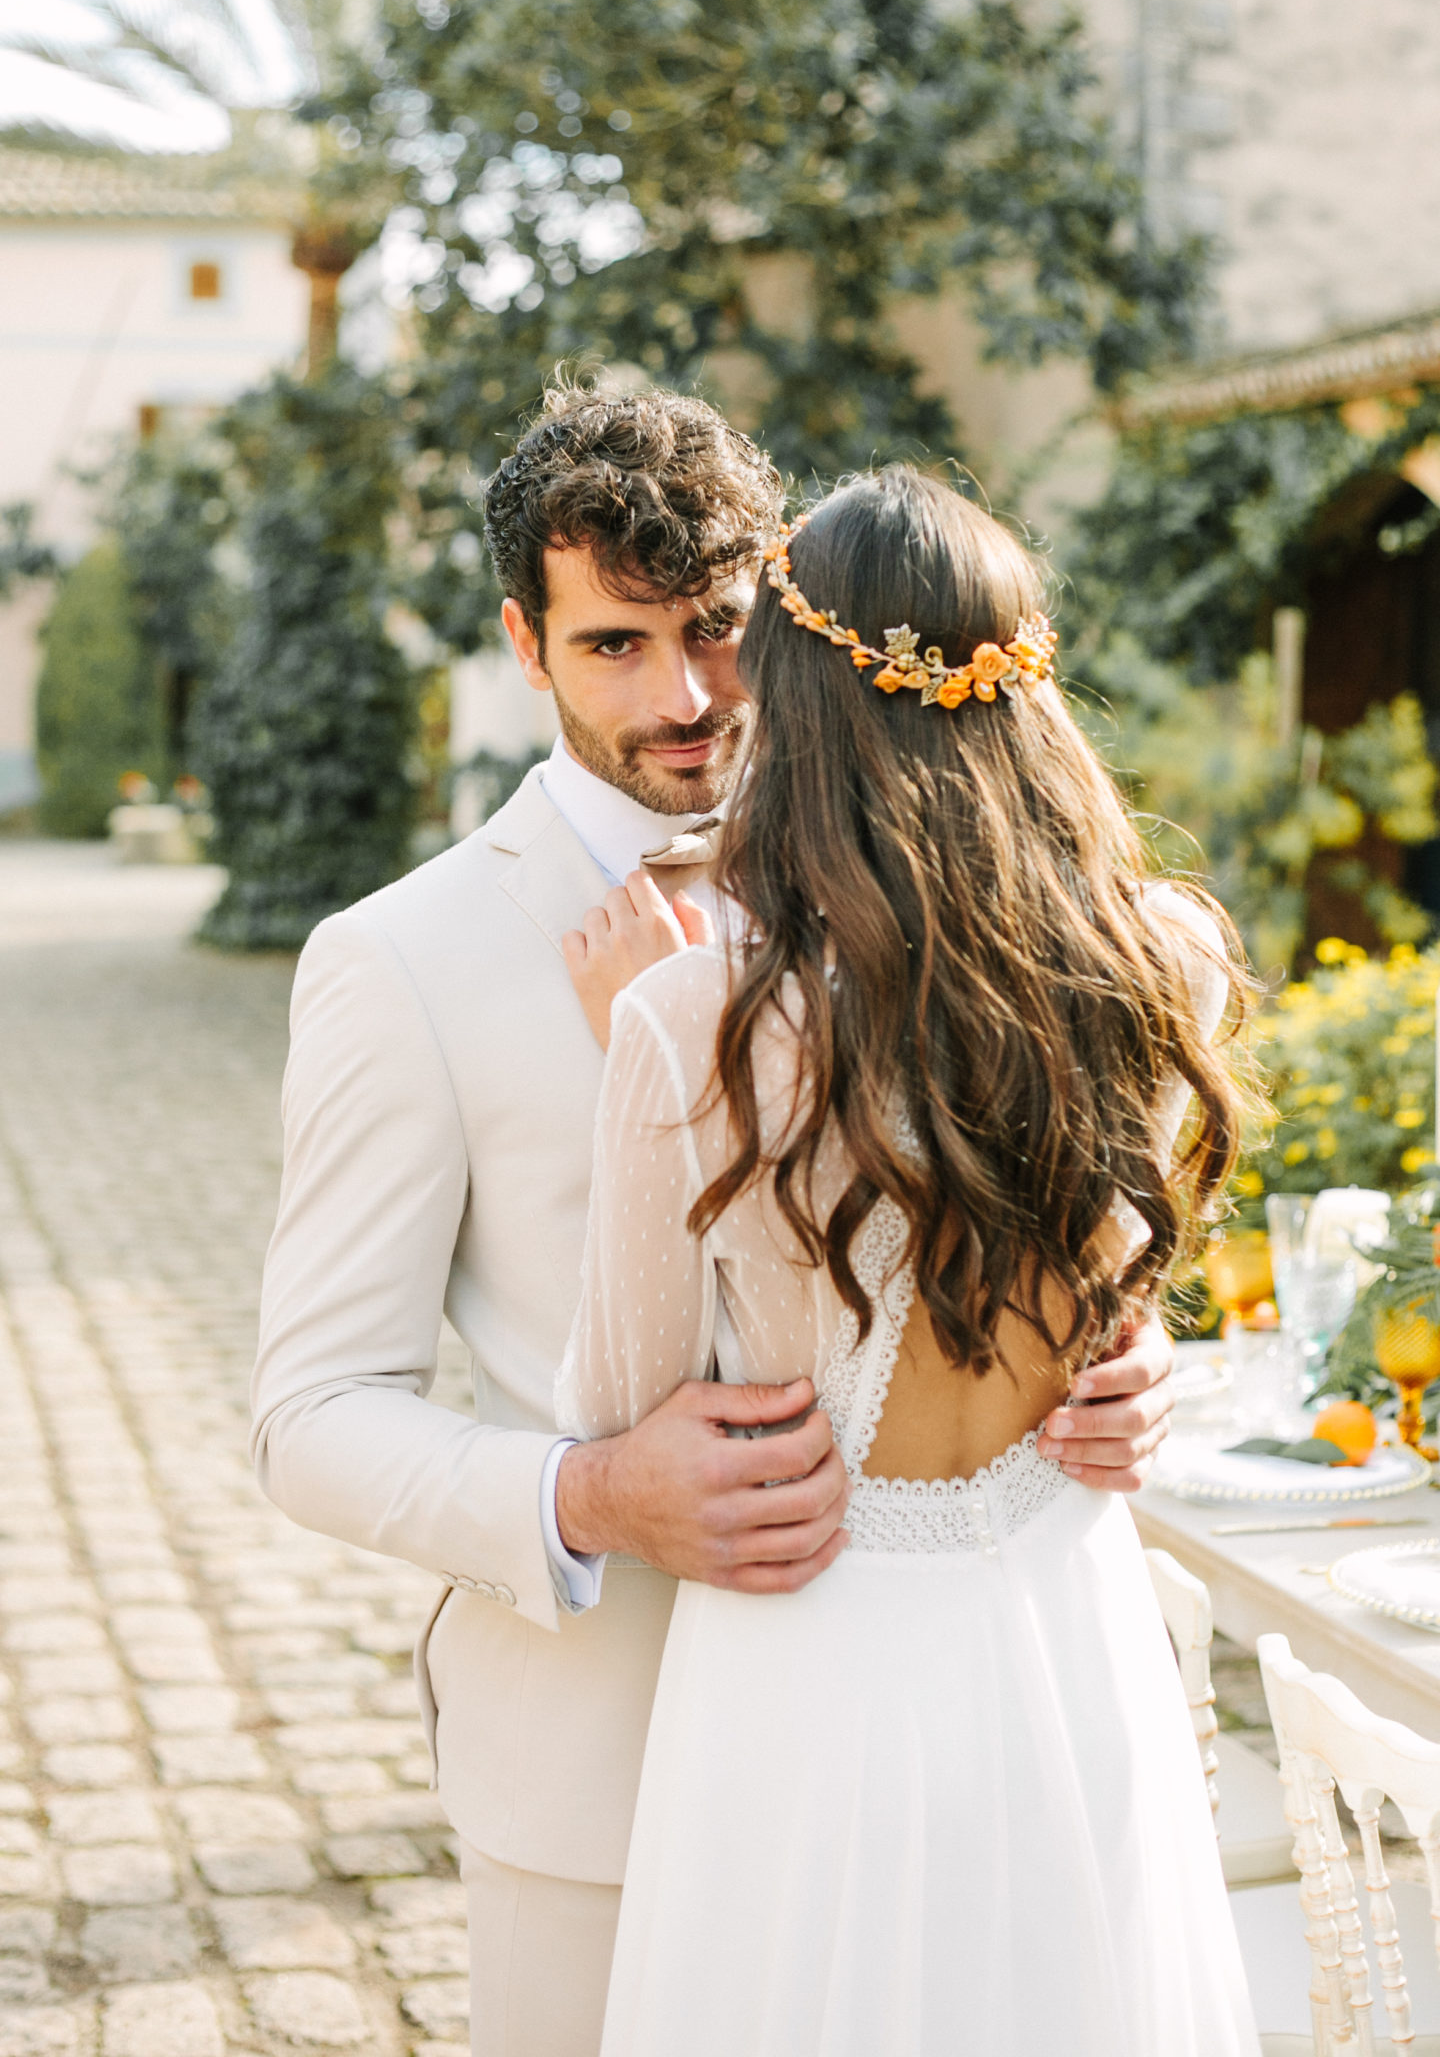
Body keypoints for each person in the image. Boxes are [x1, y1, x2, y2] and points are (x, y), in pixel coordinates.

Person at [250, 390, 1182, 2057]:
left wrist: (1120, 1356)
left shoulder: (951, 886)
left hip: (952, 1732)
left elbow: (999, 1225)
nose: (683, 699)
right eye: (616, 646)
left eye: (719, 632)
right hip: (607, 1777)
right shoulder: (404, 960)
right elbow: (309, 1420)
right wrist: (592, 1490)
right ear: (525, 647)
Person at [556, 466, 1259, 2055]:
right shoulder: (1175, 964)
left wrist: (642, 1064)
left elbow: (623, 1403)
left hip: (818, 1658)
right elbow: (1105, 1319)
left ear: (795, 709)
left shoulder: (691, 1024)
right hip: (1069, 1622)